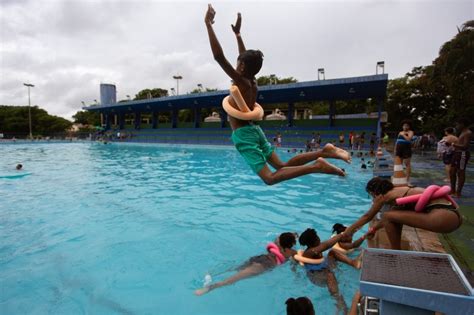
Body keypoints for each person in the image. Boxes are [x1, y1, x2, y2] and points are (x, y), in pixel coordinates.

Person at [204, 5, 350, 185]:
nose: (235, 65)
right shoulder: (251, 81)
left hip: (244, 134)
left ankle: (317, 166)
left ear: (241, 67)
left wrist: (208, 25)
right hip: (254, 130)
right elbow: (244, 58)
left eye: (237, 63)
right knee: (282, 166)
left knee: (269, 178)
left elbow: (219, 57)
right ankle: (323, 152)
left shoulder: (241, 81)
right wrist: (238, 35)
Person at [345, 177, 462, 250]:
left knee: (388, 215)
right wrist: (373, 230)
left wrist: (348, 231)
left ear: (374, 192)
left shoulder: (383, 196)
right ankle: (396, 251)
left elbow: (367, 216)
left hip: (442, 217)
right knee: (392, 215)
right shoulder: (399, 190)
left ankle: (396, 253)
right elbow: (388, 221)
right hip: (454, 215)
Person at [195, 232, 297, 295]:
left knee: (235, 268)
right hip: (263, 265)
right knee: (235, 278)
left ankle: (210, 274)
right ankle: (209, 288)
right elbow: (295, 263)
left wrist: (292, 235)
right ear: (290, 246)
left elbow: (281, 236)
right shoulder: (292, 253)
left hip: (259, 258)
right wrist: (294, 268)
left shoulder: (277, 243)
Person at [297, 228, 363, 314]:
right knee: (330, 276)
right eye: (317, 237)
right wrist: (342, 234)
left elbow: (327, 245)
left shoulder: (317, 248)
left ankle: (353, 263)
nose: (319, 238)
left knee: (332, 253)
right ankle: (340, 304)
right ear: (314, 241)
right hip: (316, 277)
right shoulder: (309, 252)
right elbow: (327, 245)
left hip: (324, 268)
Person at [450, 118, 472, 197]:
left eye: (458, 124)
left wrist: (453, 144)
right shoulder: (462, 132)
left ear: (462, 124)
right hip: (457, 153)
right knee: (452, 171)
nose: (456, 126)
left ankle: (458, 192)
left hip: (462, 154)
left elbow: (465, 146)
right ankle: (452, 190)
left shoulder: (468, 133)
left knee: (461, 172)